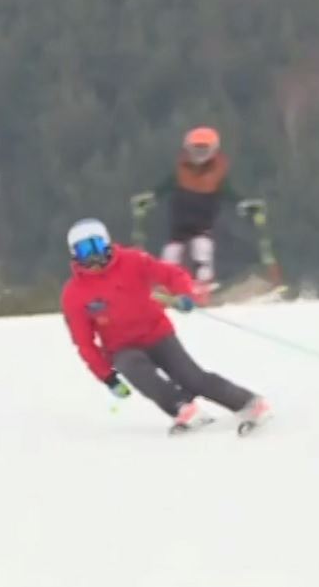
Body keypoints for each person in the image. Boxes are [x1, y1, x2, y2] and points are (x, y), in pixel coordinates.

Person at [60, 218, 270, 435]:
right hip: (122, 347)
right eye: (85, 250)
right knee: (133, 366)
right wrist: (107, 377)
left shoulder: (133, 260)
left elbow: (171, 274)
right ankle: (183, 409)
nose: (93, 255)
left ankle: (250, 404)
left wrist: (184, 294)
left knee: (192, 378)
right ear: (75, 254)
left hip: (157, 334)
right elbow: (84, 342)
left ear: (106, 243)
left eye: (96, 245)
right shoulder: (74, 294)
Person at [131, 127, 261, 289]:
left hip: (203, 221)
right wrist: (150, 198)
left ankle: (203, 283)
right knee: (171, 252)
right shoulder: (182, 170)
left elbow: (229, 193)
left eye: (204, 150)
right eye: (196, 150)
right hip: (180, 221)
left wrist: (243, 204)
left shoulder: (216, 172)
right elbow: (164, 187)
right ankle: (166, 284)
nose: (199, 155)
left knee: (202, 248)